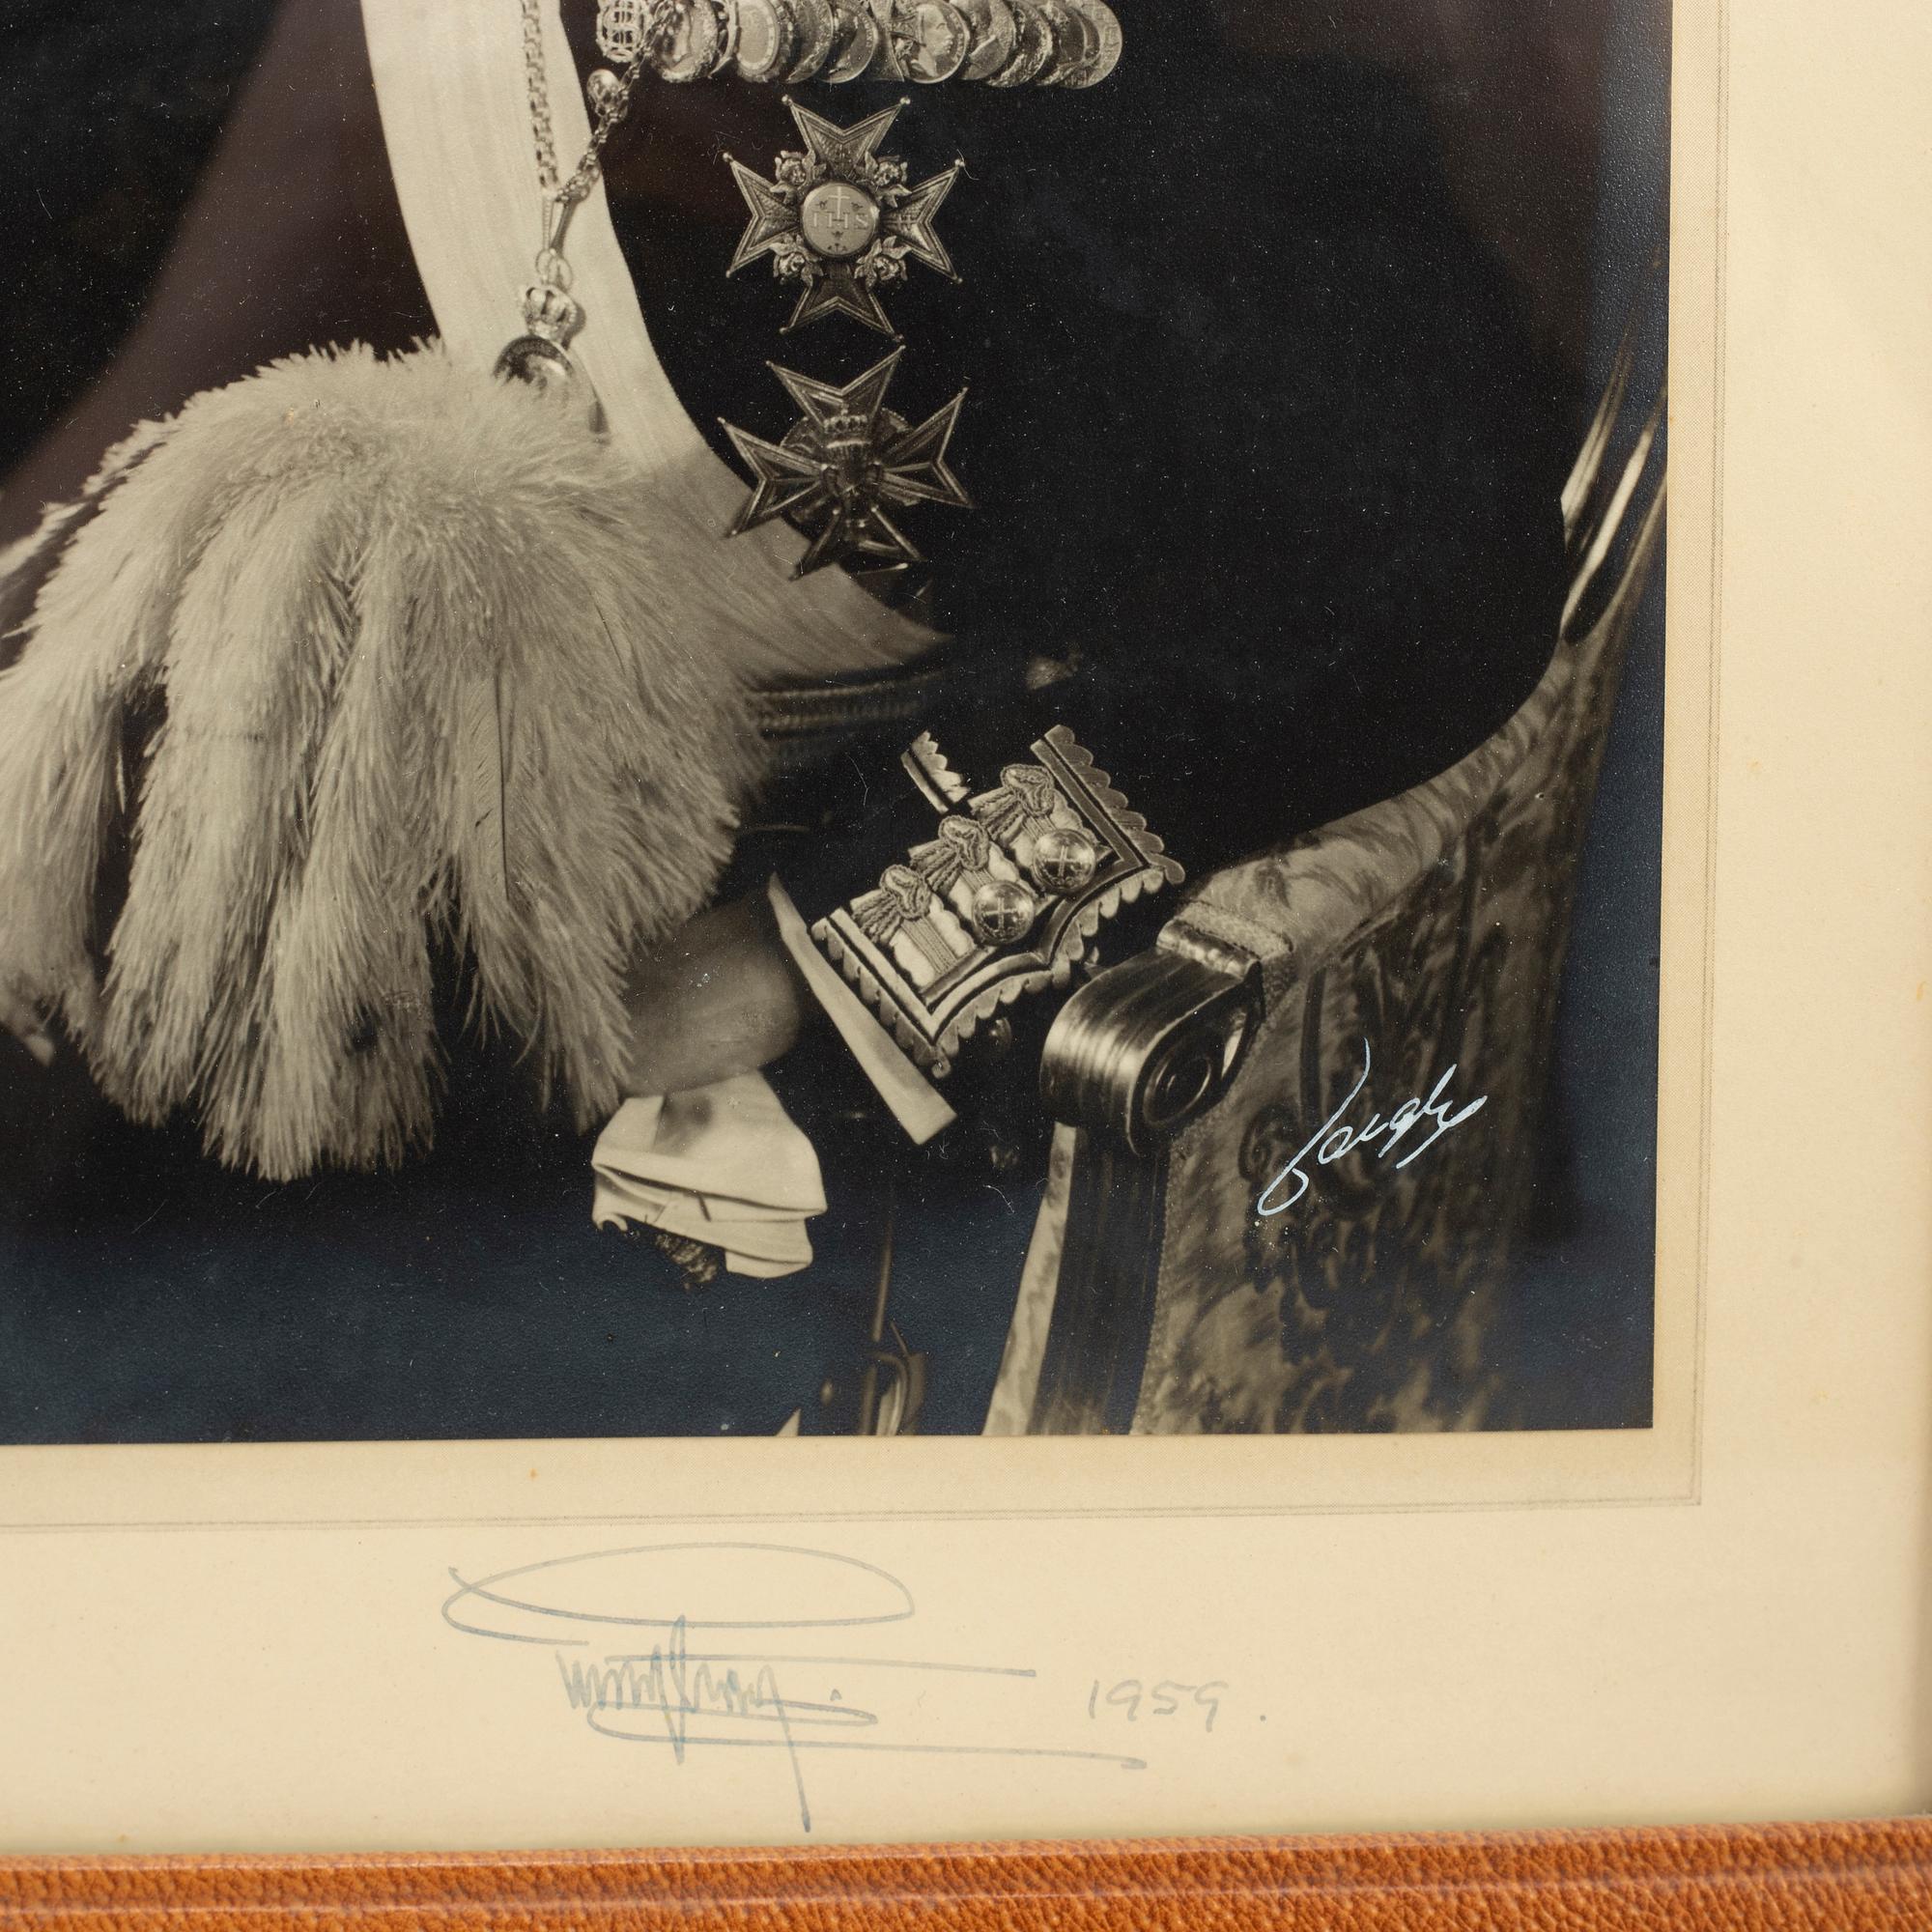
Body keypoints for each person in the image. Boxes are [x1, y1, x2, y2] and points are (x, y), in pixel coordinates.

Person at [0, 0, 1575, 1441]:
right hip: (182, 927)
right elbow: (106, 455)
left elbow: (1442, 573)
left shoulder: (1094, 90)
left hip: (658, 1049)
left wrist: (808, 952)